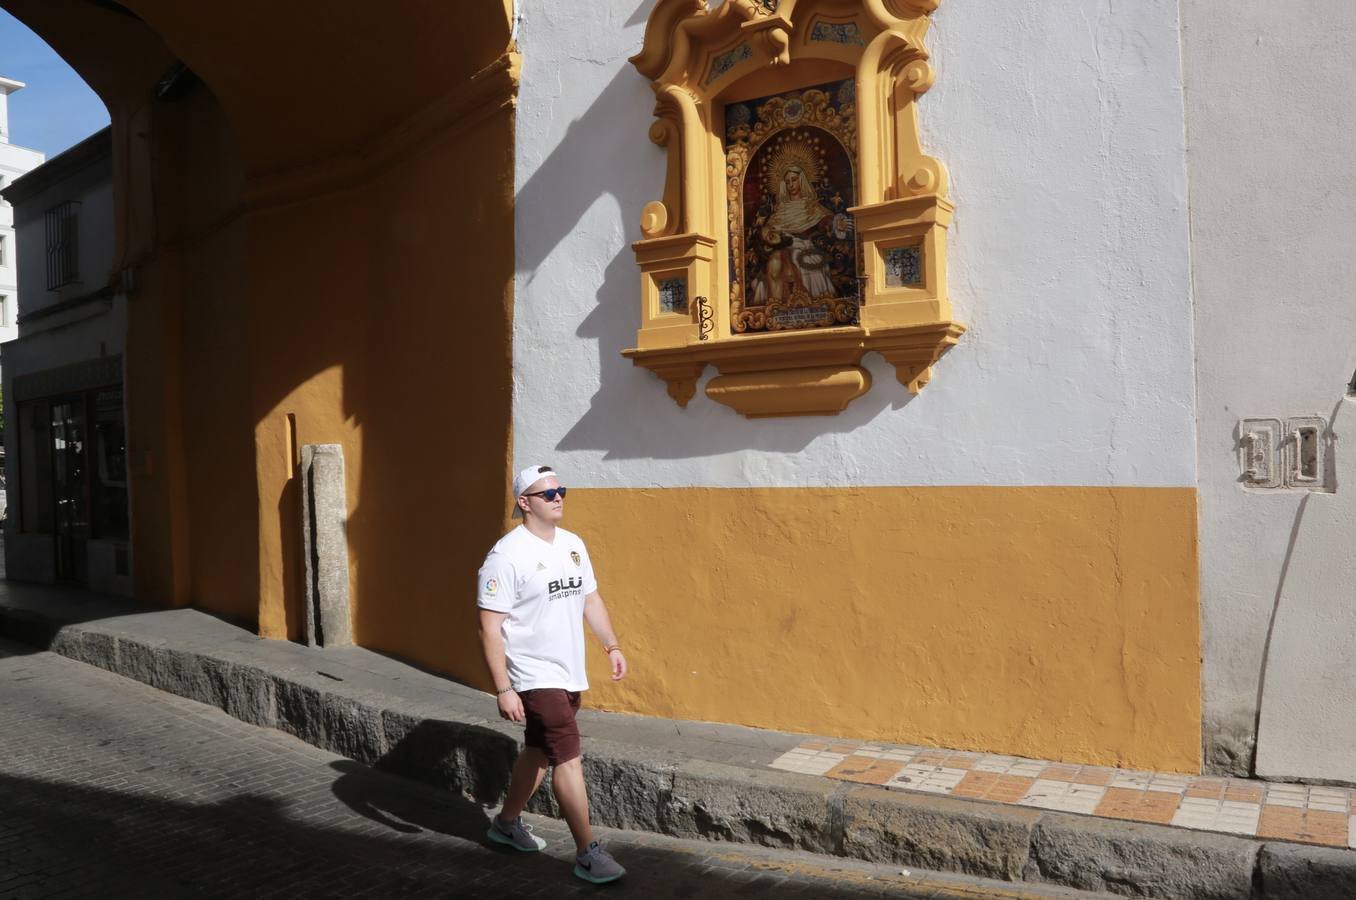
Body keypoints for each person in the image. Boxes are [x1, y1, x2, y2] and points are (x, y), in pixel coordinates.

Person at [476, 464, 629, 884]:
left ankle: (505, 824)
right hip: (533, 674)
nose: (558, 496)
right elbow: (489, 627)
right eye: (547, 493)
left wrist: (611, 645)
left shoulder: (573, 544)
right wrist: (504, 688)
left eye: (561, 489)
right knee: (568, 757)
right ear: (524, 502)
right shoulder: (506, 556)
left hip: (569, 672)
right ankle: (587, 852)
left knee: (539, 752)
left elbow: (590, 599)